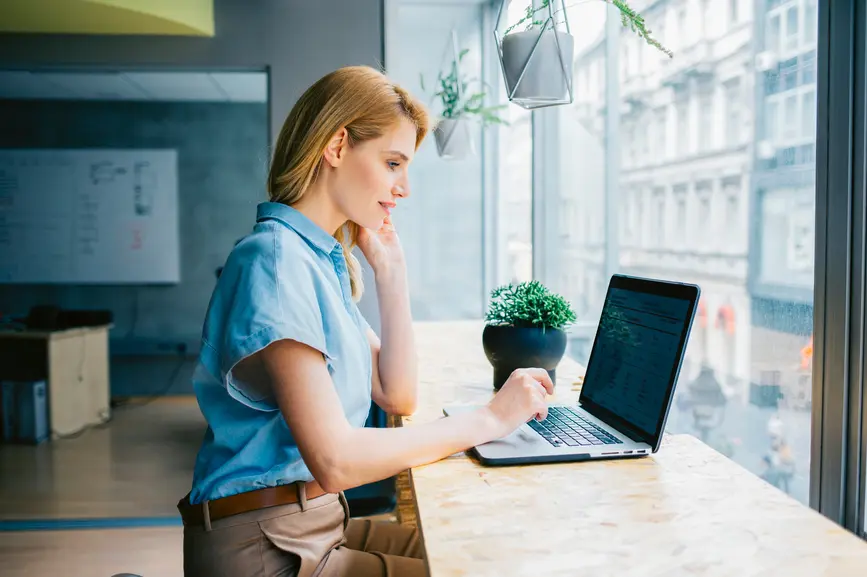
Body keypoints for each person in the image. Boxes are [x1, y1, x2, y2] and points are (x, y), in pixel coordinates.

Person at [177, 65, 554, 577]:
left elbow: (396, 394)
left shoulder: (315, 260)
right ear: (336, 147)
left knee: (478, 549)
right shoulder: (275, 261)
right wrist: (489, 419)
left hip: (310, 523)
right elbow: (336, 460)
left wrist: (391, 274)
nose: (404, 188)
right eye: (393, 162)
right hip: (268, 545)